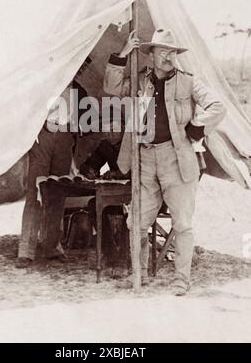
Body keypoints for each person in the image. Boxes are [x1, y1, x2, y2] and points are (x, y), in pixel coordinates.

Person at [103, 28, 226, 295]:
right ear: (152, 55)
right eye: (163, 51)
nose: (168, 57)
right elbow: (111, 87)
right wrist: (122, 55)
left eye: (172, 52)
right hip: (144, 159)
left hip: (177, 159)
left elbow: (218, 106)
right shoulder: (140, 81)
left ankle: (182, 279)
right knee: (136, 223)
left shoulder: (188, 82)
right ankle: (141, 275)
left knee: (182, 223)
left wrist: (196, 128)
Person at [16, 57, 91, 268]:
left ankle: (52, 247)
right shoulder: (45, 83)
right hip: (44, 135)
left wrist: (72, 137)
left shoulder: (78, 91)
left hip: (64, 137)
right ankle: (26, 251)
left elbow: (82, 124)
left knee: (58, 191)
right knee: (36, 192)